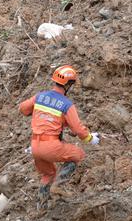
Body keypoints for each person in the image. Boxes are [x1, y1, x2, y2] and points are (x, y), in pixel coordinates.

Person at [18, 65, 100, 205]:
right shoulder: (66, 104)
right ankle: (59, 185)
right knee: (78, 155)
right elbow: (78, 129)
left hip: (35, 146)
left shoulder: (40, 96)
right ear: (68, 85)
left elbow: (23, 109)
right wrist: (90, 138)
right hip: (51, 146)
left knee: (48, 174)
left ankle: (41, 206)